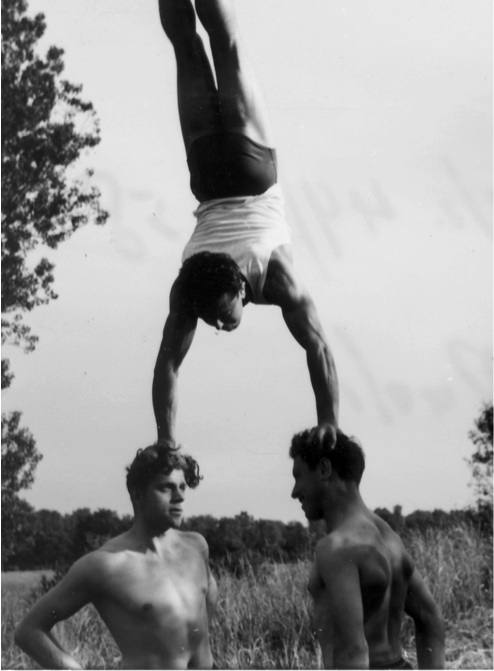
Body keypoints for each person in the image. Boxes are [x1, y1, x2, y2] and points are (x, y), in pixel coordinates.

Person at [153, 0, 339, 452]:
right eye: (217, 318)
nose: (219, 324)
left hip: (252, 164)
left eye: (218, 314)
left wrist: (330, 420)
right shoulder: (190, 287)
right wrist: (166, 439)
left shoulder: (272, 278)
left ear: (240, 288)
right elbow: (168, 364)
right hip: (211, 172)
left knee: (221, 46)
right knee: (194, 48)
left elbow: (319, 344)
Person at [15, 446, 217, 670]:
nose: (179, 497)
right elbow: (29, 630)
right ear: (138, 495)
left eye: (182, 487)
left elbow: (203, 619)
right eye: (166, 488)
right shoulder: (105, 564)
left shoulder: (196, 547)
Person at [290, 429, 445, 670]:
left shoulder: (337, 546)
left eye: (298, 476)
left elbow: (354, 651)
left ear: (324, 469)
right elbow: (431, 619)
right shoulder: (391, 540)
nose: (294, 491)